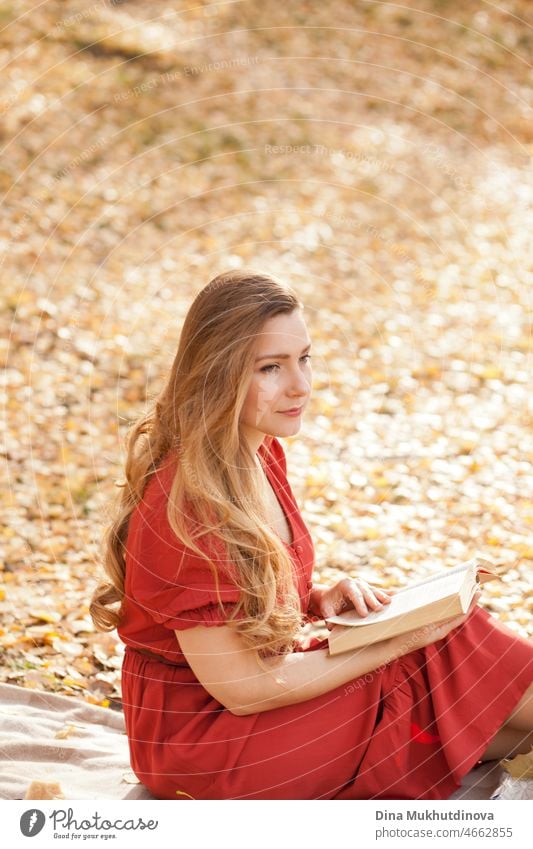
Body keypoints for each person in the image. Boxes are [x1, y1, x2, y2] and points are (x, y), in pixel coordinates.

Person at [90, 269, 533, 800]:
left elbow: (245, 594)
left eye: (304, 358)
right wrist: (398, 640)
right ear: (215, 375)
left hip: (250, 697)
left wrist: (319, 598)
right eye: (270, 368)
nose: (300, 385)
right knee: (438, 652)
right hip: (205, 740)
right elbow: (247, 690)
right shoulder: (189, 507)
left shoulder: (258, 449)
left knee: (490, 702)